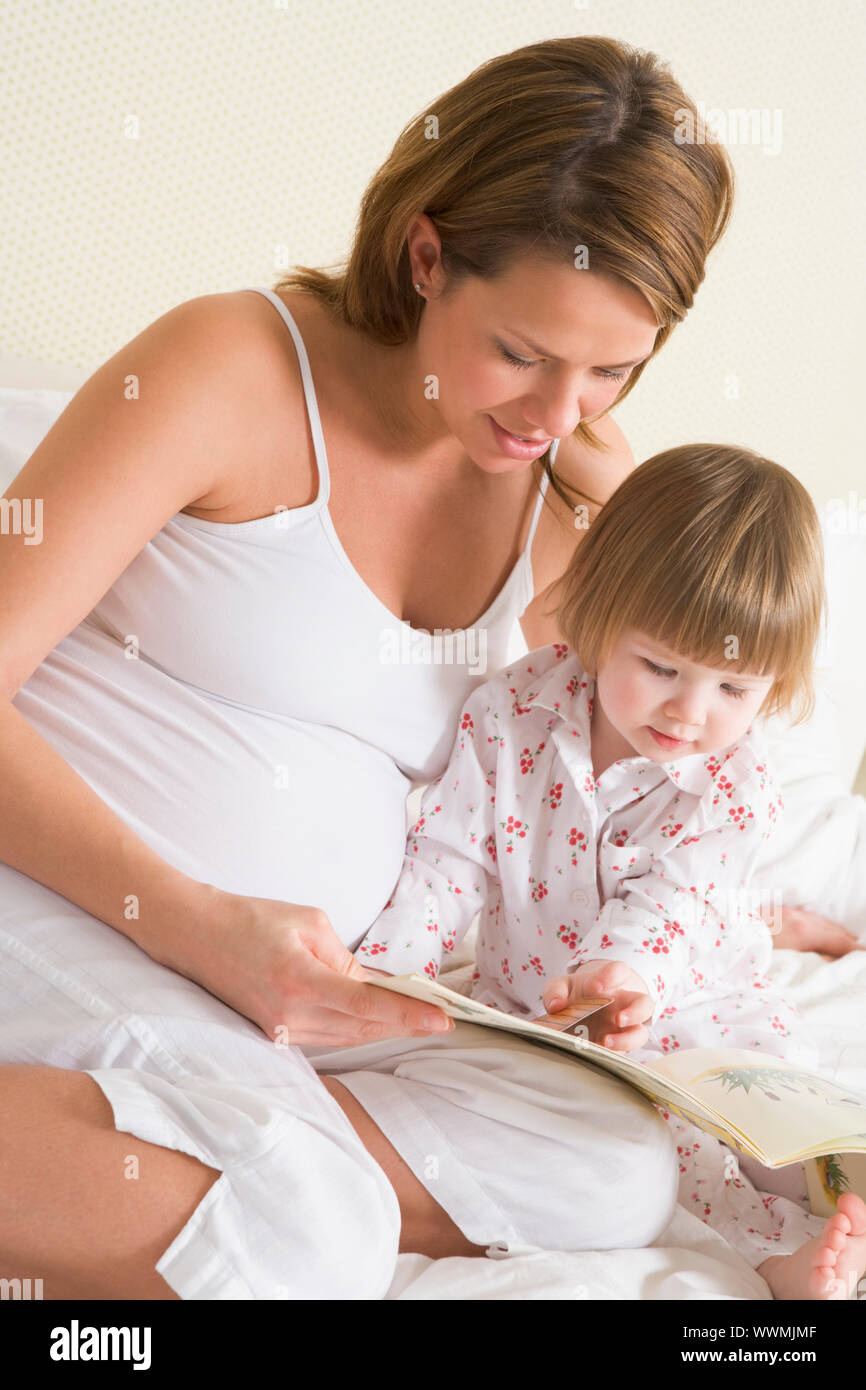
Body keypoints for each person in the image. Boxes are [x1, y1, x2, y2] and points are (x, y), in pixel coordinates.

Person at [1, 37, 742, 1299]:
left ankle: (188, 1148)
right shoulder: (228, 365)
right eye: (523, 351)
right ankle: (248, 1174)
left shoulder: (562, 494)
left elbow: (598, 789)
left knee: (617, 1169)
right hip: (72, 909)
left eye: (611, 372)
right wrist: (195, 929)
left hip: (290, 998)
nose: (556, 413)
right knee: (307, 1229)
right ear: (423, 253)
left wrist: (626, 541)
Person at [351, 444, 866, 1299]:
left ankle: (836, 1202)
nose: (689, 713)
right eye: (660, 667)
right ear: (595, 614)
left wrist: (623, 973)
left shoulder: (736, 776)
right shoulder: (511, 712)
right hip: (536, 1008)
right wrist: (385, 976)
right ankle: (775, 1266)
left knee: (781, 1122)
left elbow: (675, 898)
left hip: (699, 995)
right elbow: (449, 856)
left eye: (733, 689)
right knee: (656, 1155)